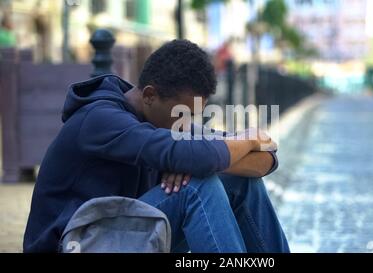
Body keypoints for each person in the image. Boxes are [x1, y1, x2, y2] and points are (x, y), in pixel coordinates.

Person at [23, 39, 290, 253]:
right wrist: (249, 139)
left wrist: (204, 157)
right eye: (182, 114)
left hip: (125, 233)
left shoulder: (168, 121)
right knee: (197, 187)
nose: (186, 124)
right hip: (77, 243)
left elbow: (266, 158)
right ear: (150, 95)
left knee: (240, 183)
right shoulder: (101, 120)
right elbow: (211, 155)